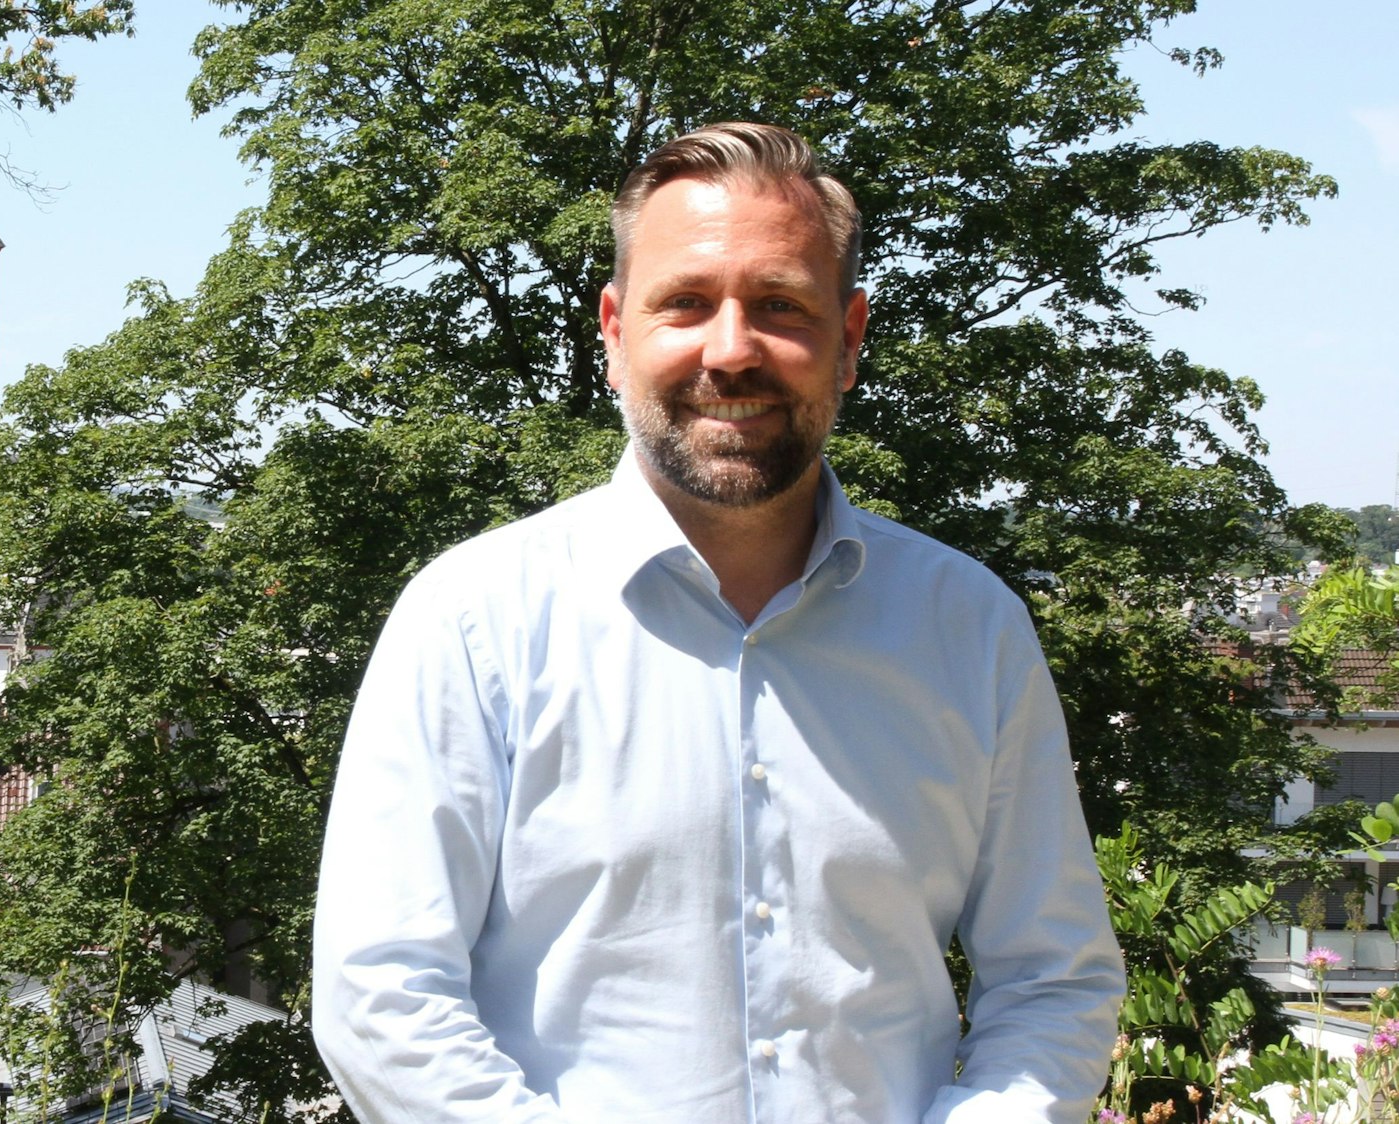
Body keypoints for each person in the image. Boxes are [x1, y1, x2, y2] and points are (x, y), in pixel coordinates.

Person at [310, 122, 1124, 1123]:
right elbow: (380, 995)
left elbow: (1053, 981)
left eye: (779, 305)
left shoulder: (971, 629)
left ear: (850, 338)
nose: (730, 349)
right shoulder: (473, 618)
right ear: (613, 333)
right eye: (685, 303)